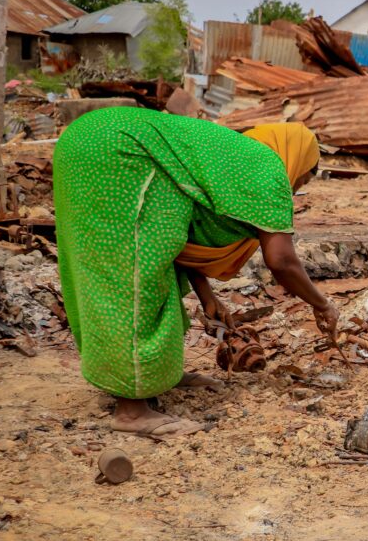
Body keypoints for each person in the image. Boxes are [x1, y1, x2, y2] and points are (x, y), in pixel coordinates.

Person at [53, 107, 340, 439]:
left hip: (92, 139)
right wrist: (323, 305)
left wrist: (208, 298)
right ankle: (132, 411)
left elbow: (183, 238)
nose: (294, 189)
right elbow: (281, 261)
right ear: (298, 159)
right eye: (302, 179)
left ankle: (157, 377)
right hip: (119, 150)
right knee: (131, 274)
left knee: (151, 260)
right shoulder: (268, 167)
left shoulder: (229, 161)